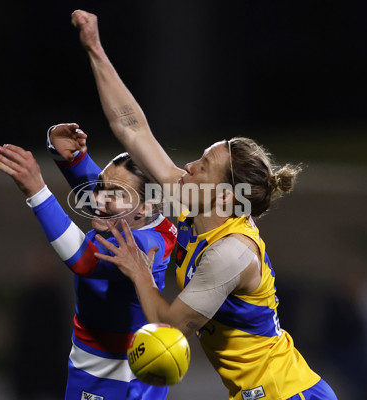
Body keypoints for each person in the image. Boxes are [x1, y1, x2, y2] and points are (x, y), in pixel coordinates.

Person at [70, 10, 338, 400]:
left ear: (226, 196)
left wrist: (141, 273)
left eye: (204, 166)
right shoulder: (189, 202)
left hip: (289, 394)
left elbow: (170, 327)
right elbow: (131, 127)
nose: (190, 166)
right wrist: (94, 48)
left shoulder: (231, 253)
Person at [0, 123, 177, 400]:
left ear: (147, 206)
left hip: (108, 375)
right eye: (101, 187)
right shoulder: (144, 219)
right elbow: (106, 192)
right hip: (135, 368)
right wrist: (71, 157)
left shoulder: (142, 246)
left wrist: (37, 191)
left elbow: (84, 262)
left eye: (113, 194)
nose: (98, 199)